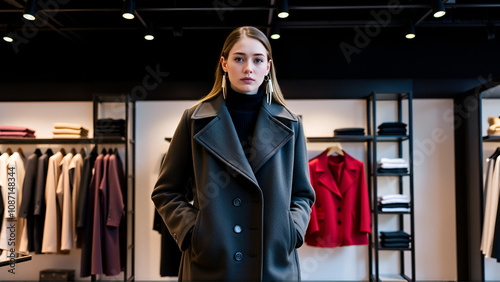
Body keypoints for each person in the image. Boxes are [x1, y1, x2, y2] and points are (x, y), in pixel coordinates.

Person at [151, 26, 315, 281]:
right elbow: (166, 191)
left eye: (257, 60)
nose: (248, 68)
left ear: (268, 66)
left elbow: (302, 194)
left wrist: (290, 231)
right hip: (211, 262)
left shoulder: (291, 124)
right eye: (239, 58)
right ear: (224, 63)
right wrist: (193, 231)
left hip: (272, 262)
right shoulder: (194, 120)